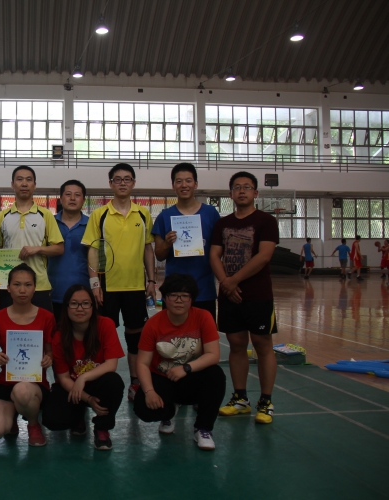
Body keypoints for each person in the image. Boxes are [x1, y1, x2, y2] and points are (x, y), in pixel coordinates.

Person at [82, 163, 156, 402]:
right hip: (107, 287)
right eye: (117, 179)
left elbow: (147, 249)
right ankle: (99, 382)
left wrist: (151, 280)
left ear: (133, 183)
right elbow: (93, 250)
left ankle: (135, 383)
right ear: (110, 183)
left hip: (135, 287)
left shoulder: (143, 214)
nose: (122, 183)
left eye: (127, 179)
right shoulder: (99, 214)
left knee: (135, 338)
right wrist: (95, 283)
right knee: (102, 336)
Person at [210, 171, 279, 425]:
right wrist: (225, 283)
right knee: (236, 344)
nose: (242, 191)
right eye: (237, 187)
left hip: (258, 295)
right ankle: (240, 399)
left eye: (247, 187)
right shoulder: (222, 224)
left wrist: (232, 281)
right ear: (230, 193)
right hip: (230, 295)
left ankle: (266, 401)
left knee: (262, 345)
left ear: (255, 193)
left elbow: (264, 256)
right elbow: (214, 255)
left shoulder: (266, 221)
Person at [133, 273, 226, 450]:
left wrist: (186, 368)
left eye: (184, 296)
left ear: (192, 299)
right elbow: (142, 363)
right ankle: (169, 413)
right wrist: (149, 392)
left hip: (190, 376)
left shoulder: (203, 317)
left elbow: (213, 355)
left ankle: (203, 428)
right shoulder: (153, 324)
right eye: (173, 295)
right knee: (143, 410)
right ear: (165, 298)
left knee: (215, 375)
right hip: (162, 377)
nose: (179, 300)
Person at [42, 284, 125, 450]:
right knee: (52, 420)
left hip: (97, 382)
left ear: (93, 307)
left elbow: (111, 364)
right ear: (66, 307)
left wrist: (83, 378)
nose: (80, 308)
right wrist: (87, 398)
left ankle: (102, 428)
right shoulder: (59, 337)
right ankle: (77, 415)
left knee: (114, 382)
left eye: (86, 303)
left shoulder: (105, 325)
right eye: (74, 304)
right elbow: (64, 378)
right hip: (72, 387)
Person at [0, 264, 55, 446]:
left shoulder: (47, 317)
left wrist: (49, 358)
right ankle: (12, 414)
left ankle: (33, 424)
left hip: (35, 384)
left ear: (35, 287)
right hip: (6, 382)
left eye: (27, 285)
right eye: (17, 285)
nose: (22, 290)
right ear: (8, 288)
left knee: (22, 391)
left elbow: (51, 351)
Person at [153, 163, 220, 320]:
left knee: (205, 332)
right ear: (173, 185)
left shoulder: (211, 213)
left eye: (188, 181)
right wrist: (167, 244)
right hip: (174, 291)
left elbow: (219, 249)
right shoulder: (164, 216)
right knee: (172, 333)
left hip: (204, 289)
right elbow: (159, 255)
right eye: (179, 181)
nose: (184, 185)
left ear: (195, 184)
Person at [0, 165, 64, 312]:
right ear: (12, 184)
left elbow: (59, 248)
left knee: (42, 325)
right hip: (9, 286)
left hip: (39, 285)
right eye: (19, 179)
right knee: (8, 325)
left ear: (34, 185)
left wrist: (37, 249)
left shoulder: (45, 215)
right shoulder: (1, 216)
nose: (24, 184)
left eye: (28, 180)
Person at [48, 180, 91, 323]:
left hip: (83, 296)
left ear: (83, 200)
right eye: (68, 194)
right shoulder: (49, 223)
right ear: (61, 198)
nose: (72, 198)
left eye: (77, 195)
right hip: (52, 293)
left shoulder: (92, 225)